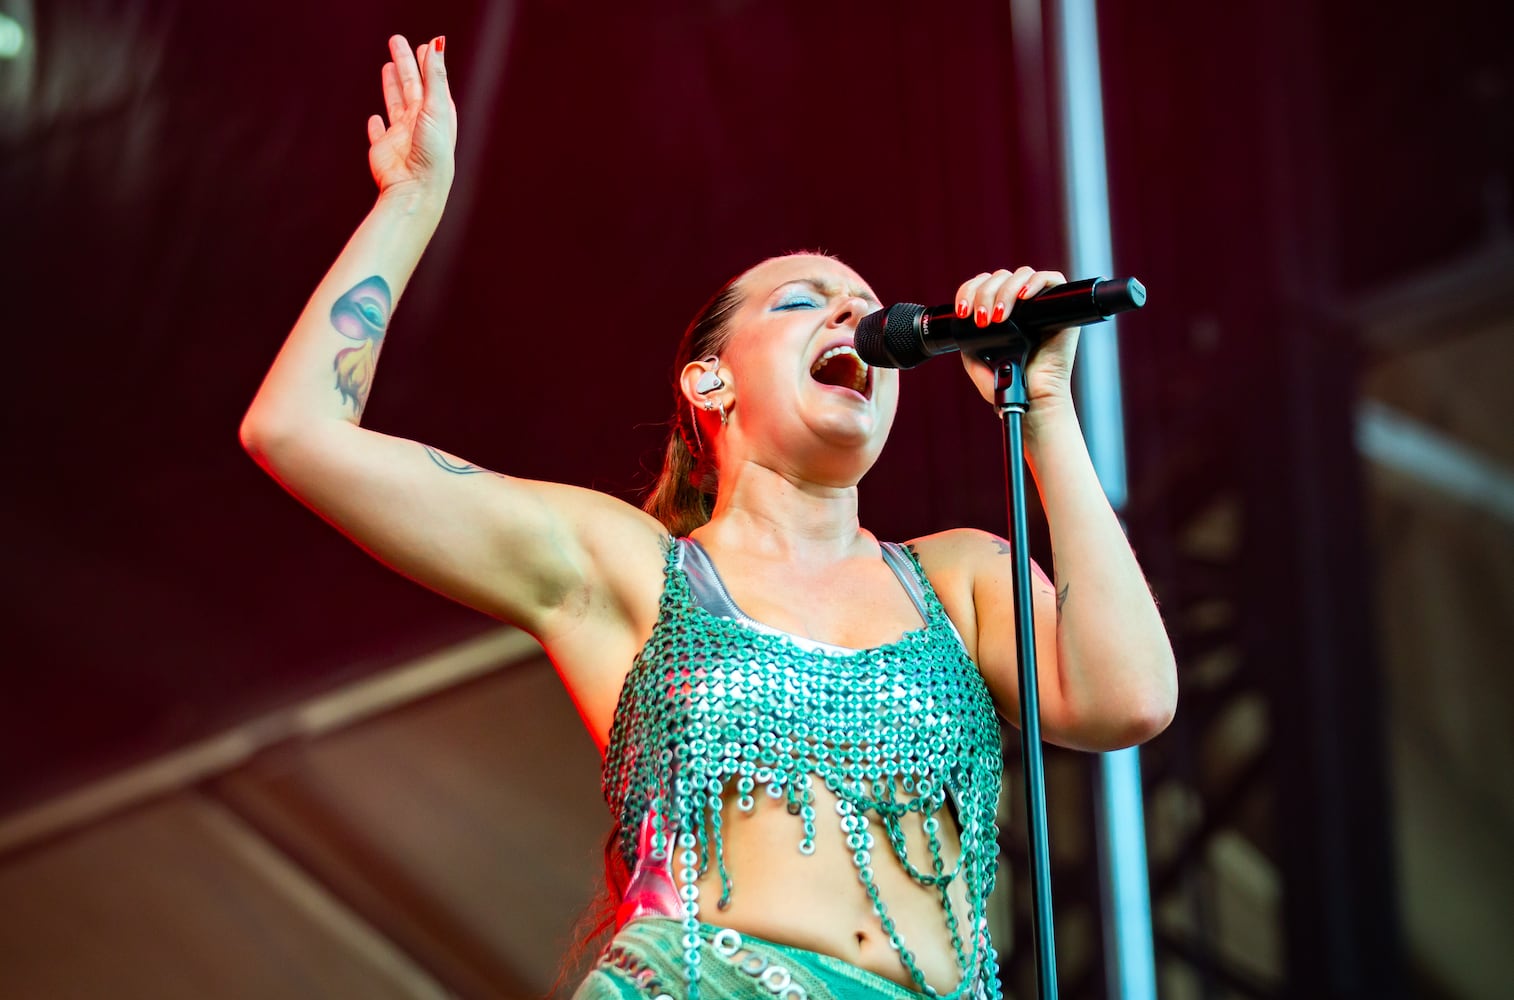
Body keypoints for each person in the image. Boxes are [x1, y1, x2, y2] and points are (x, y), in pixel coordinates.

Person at [240, 34, 1178, 1000]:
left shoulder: (962, 578)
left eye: (866, 310)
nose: (851, 322)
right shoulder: (634, 571)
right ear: (710, 380)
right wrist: (411, 202)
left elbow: (1130, 698)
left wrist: (1048, 411)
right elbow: (296, 429)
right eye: (804, 301)